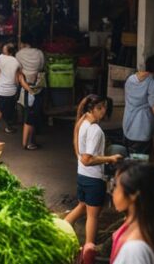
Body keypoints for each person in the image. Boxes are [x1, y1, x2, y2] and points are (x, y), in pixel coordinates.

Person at [66, 95, 124, 253]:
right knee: (93, 216)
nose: (104, 111)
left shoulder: (82, 121)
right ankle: (89, 250)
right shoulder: (95, 130)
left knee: (82, 206)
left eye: (104, 107)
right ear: (90, 109)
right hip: (93, 178)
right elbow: (87, 159)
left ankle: (60, 228)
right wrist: (110, 158)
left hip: (82, 175)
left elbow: (81, 155)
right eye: (99, 108)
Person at [110, 161, 154, 264]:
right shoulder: (149, 227)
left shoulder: (135, 250)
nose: (113, 191)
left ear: (133, 195)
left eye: (116, 185)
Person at [122, 65, 154, 155]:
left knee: (130, 159)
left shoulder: (130, 79)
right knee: (140, 163)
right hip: (142, 129)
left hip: (128, 125)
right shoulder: (153, 82)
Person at [15, 38, 47, 150]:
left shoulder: (19, 54)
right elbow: (42, 67)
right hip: (37, 88)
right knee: (33, 116)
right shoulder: (39, 53)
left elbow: (18, 71)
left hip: (26, 89)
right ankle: (29, 142)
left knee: (28, 116)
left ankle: (28, 142)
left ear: (23, 43)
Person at [0, 43, 21, 139]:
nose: (2, 50)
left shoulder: (0, 58)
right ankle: (1, 127)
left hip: (1, 90)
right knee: (8, 110)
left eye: (4, 49)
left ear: (8, 51)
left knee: (3, 110)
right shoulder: (16, 62)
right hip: (12, 90)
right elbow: (17, 79)